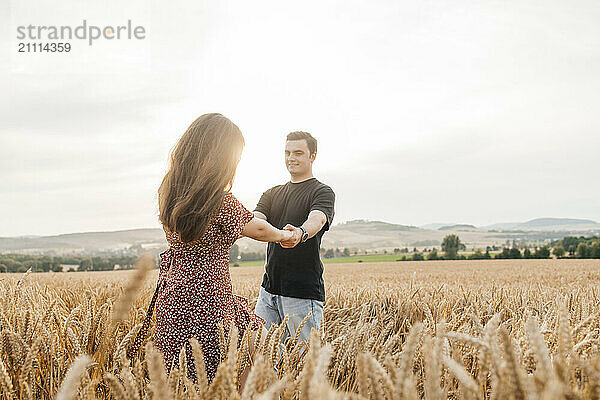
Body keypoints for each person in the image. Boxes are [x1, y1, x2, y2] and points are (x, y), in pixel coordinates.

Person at [152, 113, 295, 385]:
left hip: (173, 299)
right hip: (210, 303)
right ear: (220, 159)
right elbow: (259, 229)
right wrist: (283, 235)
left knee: (187, 378)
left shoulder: (168, 189)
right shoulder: (218, 201)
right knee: (248, 364)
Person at [253, 131, 335, 344]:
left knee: (306, 365)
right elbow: (254, 221)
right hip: (268, 290)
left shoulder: (322, 192)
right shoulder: (271, 193)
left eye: (298, 153)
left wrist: (300, 233)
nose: (291, 158)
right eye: (288, 152)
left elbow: (317, 219)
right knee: (261, 357)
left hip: (302, 292)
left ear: (312, 156)